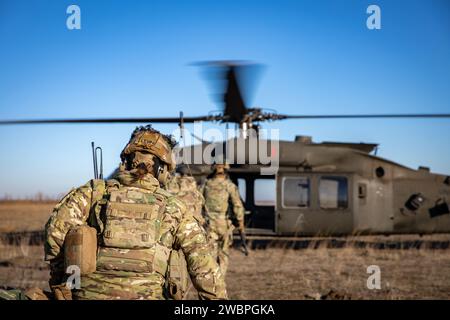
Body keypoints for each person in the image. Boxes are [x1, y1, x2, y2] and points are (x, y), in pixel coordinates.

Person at [44, 125, 227, 300]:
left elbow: (56, 233)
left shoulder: (93, 192)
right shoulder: (175, 207)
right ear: (162, 169)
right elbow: (204, 266)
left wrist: (66, 283)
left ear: (125, 161)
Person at [203, 163, 245, 278]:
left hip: (208, 224)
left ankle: (211, 281)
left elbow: (198, 202)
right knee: (223, 255)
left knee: (211, 255)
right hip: (223, 225)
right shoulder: (229, 185)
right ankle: (219, 281)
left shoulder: (206, 184)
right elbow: (237, 206)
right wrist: (241, 224)